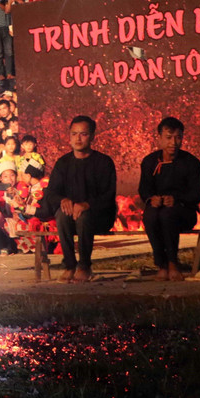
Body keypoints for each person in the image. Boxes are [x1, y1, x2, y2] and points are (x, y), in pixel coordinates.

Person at [42, 116, 117, 283]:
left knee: (83, 216)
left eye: (83, 134)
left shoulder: (103, 162)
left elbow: (108, 195)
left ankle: (84, 266)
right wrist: (63, 200)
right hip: (70, 216)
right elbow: (51, 192)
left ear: (92, 136)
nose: (78, 138)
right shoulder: (63, 163)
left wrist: (87, 204)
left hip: (98, 215)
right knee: (61, 215)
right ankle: (69, 265)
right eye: (74, 134)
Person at [138, 117, 200, 282]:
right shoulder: (150, 162)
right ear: (159, 138)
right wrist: (151, 199)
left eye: (178, 137)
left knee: (167, 216)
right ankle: (161, 265)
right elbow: (144, 189)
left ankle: (173, 263)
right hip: (157, 209)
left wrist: (177, 199)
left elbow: (196, 194)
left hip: (184, 212)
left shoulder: (191, 163)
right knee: (150, 216)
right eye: (168, 137)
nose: (173, 142)